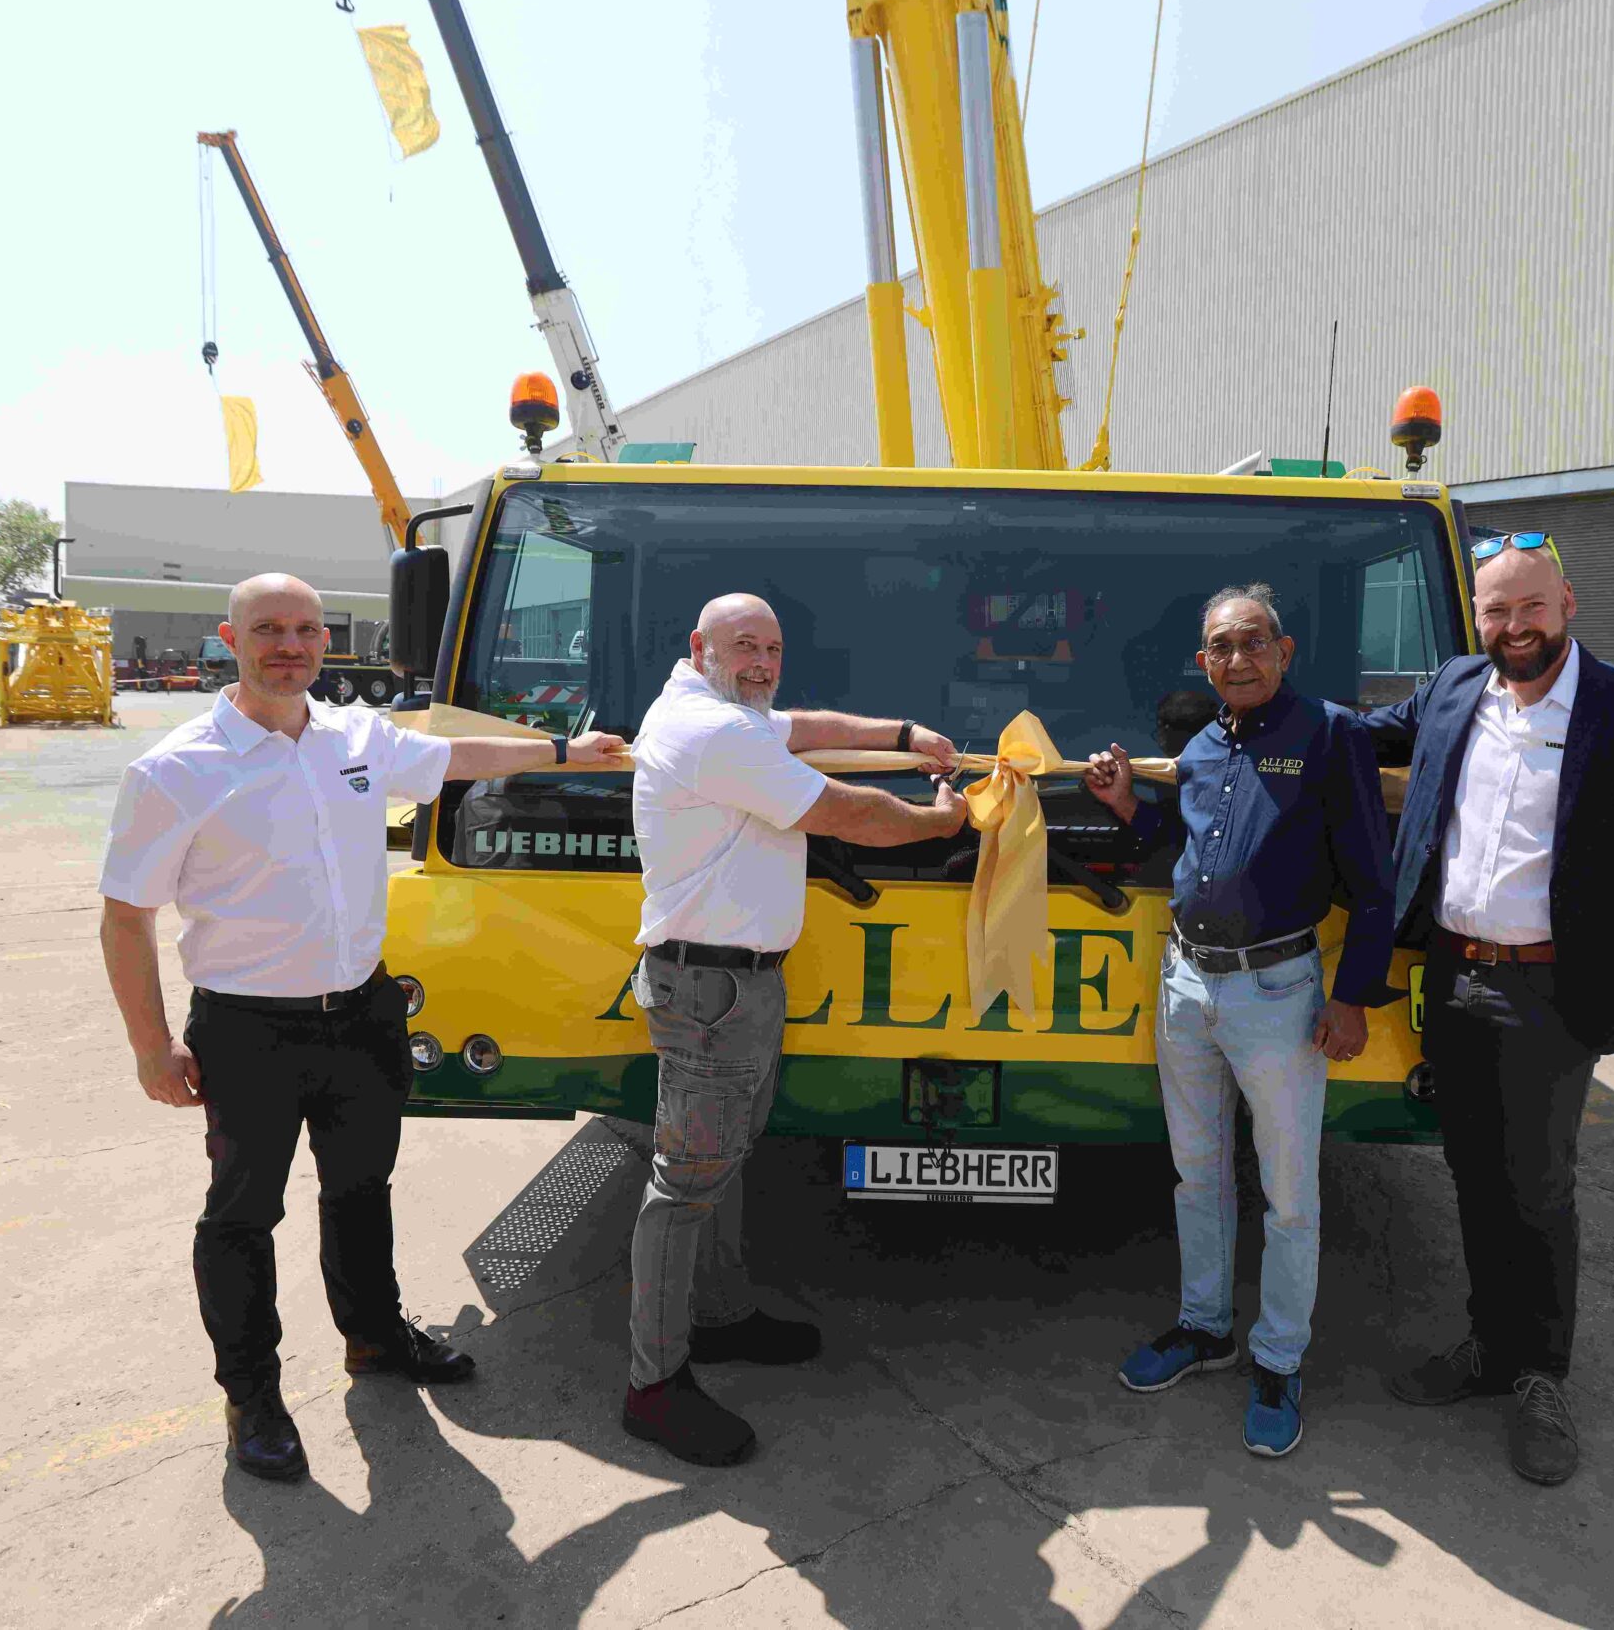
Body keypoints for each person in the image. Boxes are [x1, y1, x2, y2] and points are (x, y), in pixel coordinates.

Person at [98, 573, 627, 1483]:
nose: (290, 645)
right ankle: (252, 1395)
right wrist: (153, 1044)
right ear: (231, 637)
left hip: (362, 1014)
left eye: (306, 629)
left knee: (360, 1188)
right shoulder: (176, 769)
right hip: (247, 1030)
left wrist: (568, 752)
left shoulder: (353, 735)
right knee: (240, 1217)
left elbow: (455, 757)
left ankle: (374, 1338)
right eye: (268, 628)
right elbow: (124, 917)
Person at [1358, 533, 1614, 1486]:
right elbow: (1355, 733)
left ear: (1568, 603)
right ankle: (1490, 1347)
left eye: (1530, 607)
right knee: (1473, 1173)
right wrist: (1239, 713)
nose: (1513, 628)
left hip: (1552, 990)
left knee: (1537, 1184)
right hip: (1454, 977)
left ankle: (1539, 1374)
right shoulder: (1456, 688)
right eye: (1495, 611)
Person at [621, 592, 970, 1467]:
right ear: (699, 645)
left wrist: (901, 734)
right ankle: (652, 1387)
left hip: (732, 987)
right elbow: (845, 810)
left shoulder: (727, 713)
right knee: (684, 1184)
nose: (764, 665)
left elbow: (802, 725)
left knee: (723, 1162)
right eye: (746, 647)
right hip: (711, 991)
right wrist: (938, 823)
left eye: (774, 649)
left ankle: (723, 1314)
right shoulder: (713, 732)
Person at [1081, 584, 1393, 1459]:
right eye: (1220, 647)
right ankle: (1205, 1326)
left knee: (1289, 1194)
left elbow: (1374, 878)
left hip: (1278, 993)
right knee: (1197, 1174)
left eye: (1253, 642)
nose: (1238, 659)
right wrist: (1126, 808)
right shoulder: (1206, 745)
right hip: (1185, 984)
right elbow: (1189, 853)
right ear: (1204, 661)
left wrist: (1353, 995)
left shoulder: (1330, 735)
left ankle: (1279, 1358)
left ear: (1284, 651)